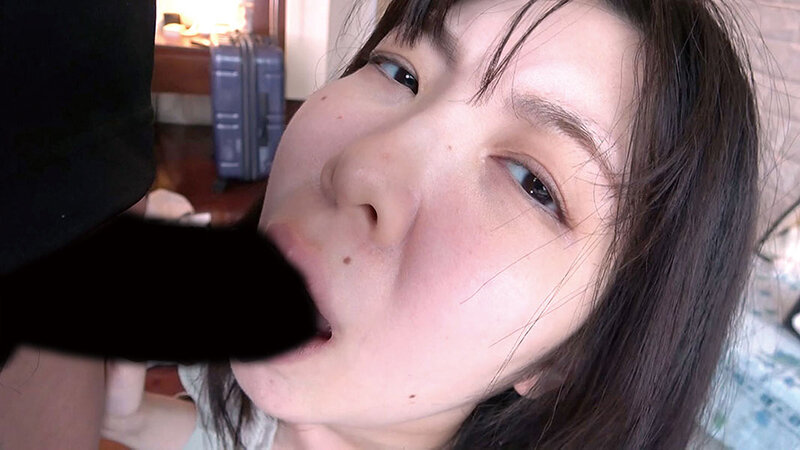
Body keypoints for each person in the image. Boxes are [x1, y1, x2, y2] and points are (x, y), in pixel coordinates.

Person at [103, 0, 762, 448]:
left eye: (533, 182)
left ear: (578, 352)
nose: (361, 165)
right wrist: (125, 408)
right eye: (400, 70)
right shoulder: (241, 385)